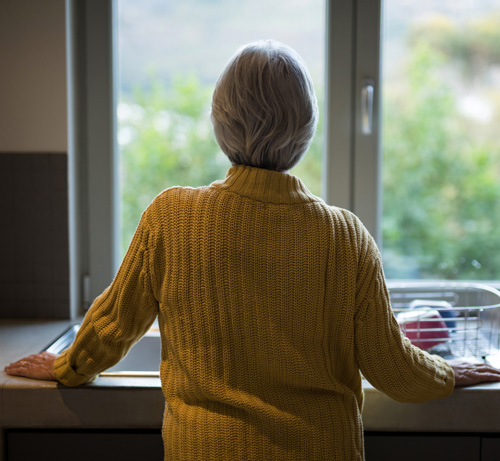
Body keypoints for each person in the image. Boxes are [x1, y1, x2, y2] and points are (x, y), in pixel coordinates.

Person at [5, 39, 500, 460]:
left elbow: (113, 324)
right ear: (306, 129)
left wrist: (69, 366)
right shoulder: (345, 237)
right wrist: (446, 373)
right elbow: (392, 369)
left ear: (221, 122)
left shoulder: (171, 216)